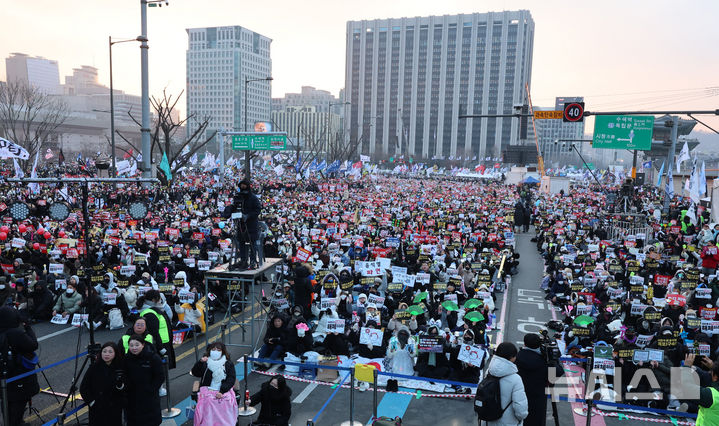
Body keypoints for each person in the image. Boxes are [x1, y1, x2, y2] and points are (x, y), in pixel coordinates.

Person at [0, 306, 39, 425]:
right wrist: (27, 326)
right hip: (18, 376)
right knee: (17, 403)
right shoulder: (15, 333)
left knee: (6, 400)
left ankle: (9, 420)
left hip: (4, 375)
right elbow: (33, 345)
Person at [191, 342, 237, 425]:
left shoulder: (227, 363)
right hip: (208, 390)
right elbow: (195, 372)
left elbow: (231, 379)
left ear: (222, 352)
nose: (215, 351)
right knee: (208, 402)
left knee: (224, 402)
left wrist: (222, 391)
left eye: (218, 350)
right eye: (213, 349)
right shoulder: (206, 362)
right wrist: (200, 362)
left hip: (223, 390)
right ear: (210, 351)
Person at [79, 342, 125, 426]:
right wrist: (92, 402)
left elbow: (125, 389)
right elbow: (84, 387)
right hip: (97, 408)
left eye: (110, 352)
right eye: (104, 351)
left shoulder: (120, 368)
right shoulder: (94, 367)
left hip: (114, 408)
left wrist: (120, 386)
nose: (107, 354)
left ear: (115, 353)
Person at [123, 334, 164, 426]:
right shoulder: (126, 358)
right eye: (131, 345)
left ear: (143, 345)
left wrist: (151, 389)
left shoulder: (153, 357)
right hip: (132, 398)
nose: (134, 348)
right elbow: (123, 375)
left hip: (149, 398)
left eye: (137, 345)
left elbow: (160, 376)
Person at [483, 342, 528, 426]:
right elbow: (520, 408)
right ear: (511, 358)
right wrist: (521, 418)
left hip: (488, 419)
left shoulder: (489, 371)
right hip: (508, 422)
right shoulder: (516, 379)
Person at [223, 180, 262, 269]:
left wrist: (248, 216)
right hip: (240, 224)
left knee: (252, 243)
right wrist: (229, 210)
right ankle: (243, 260)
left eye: (244, 186)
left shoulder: (253, 198)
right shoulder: (238, 197)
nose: (243, 188)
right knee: (241, 242)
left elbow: (257, 210)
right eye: (241, 186)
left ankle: (252, 261)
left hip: (251, 224)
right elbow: (234, 206)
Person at [515, 334, 549, 426]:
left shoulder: (517, 357)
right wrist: (553, 361)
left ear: (525, 344)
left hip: (519, 395)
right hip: (538, 398)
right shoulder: (543, 360)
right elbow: (554, 376)